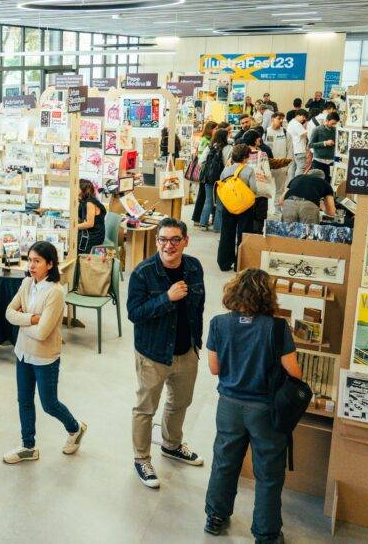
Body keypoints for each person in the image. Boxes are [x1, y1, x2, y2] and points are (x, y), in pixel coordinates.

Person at [204, 269, 302, 543]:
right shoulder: (278, 328)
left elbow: (214, 368)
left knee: (224, 462)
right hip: (265, 410)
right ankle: (266, 534)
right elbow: (294, 372)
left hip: (229, 406)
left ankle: (215, 517)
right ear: (267, 295)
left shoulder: (218, 324)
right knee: (268, 473)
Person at [127, 218, 206, 488]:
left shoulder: (194, 267)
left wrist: (197, 342)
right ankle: (141, 458)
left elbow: (199, 307)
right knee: (145, 408)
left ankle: (171, 445)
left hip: (186, 350)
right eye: (163, 239)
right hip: (153, 353)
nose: (168, 245)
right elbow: (134, 313)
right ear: (157, 241)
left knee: (180, 402)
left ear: (186, 241)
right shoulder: (143, 273)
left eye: (175, 240)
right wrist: (166, 298)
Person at [3, 241, 87, 464]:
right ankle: (28, 446)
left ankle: (75, 428)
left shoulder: (55, 292)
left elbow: (42, 334)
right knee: (24, 400)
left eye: (37, 261)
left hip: (45, 357)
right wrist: (32, 319)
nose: (31, 265)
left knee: (49, 404)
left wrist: (21, 322)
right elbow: (9, 313)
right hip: (22, 353)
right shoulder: (26, 283)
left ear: (50, 264)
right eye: (30, 260)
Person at [217, 145, 259, 272]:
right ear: (245, 157)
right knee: (244, 234)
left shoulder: (226, 170)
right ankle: (240, 264)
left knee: (226, 233)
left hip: (228, 205)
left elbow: (222, 185)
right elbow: (254, 189)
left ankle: (224, 262)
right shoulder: (249, 170)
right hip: (245, 207)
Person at [198, 128, 229, 231]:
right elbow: (228, 164)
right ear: (225, 137)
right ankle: (217, 227)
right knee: (220, 203)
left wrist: (208, 169)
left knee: (208, 201)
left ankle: (203, 223)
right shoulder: (228, 148)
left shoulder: (210, 147)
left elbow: (201, 161)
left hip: (209, 178)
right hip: (222, 179)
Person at [190, 121, 218, 227]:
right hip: (205, 172)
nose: (216, 131)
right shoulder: (206, 141)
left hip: (205, 172)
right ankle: (198, 218)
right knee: (203, 196)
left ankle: (199, 218)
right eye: (215, 128)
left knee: (203, 196)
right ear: (211, 129)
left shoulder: (206, 139)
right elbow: (202, 158)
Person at [264, 113, 289, 212]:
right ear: (272, 119)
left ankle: (277, 208)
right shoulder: (265, 132)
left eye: (282, 119)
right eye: (279, 118)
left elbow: (290, 149)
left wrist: (287, 165)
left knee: (280, 189)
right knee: (265, 189)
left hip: (281, 165)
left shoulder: (285, 133)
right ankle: (265, 209)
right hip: (268, 165)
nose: (281, 120)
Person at [75, 179, 107, 253]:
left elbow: (89, 224)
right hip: (89, 231)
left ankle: (79, 258)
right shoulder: (83, 201)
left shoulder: (90, 203)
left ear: (83, 190)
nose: (74, 189)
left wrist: (73, 227)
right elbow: (80, 218)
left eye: (77, 187)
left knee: (76, 239)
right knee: (73, 236)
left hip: (95, 234)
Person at [309, 111, 339, 179]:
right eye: (332, 123)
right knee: (317, 181)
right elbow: (310, 145)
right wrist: (325, 143)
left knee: (329, 181)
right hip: (318, 161)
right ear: (327, 120)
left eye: (335, 124)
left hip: (331, 161)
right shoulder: (317, 129)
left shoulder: (336, 130)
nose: (334, 125)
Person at [284, 109, 309, 179]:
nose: (304, 119)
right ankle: (297, 182)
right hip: (299, 149)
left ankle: (291, 183)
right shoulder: (297, 124)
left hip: (293, 149)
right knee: (301, 167)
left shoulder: (291, 122)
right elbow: (305, 134)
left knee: (293, 167)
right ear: (298, 115)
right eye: (303, 117)